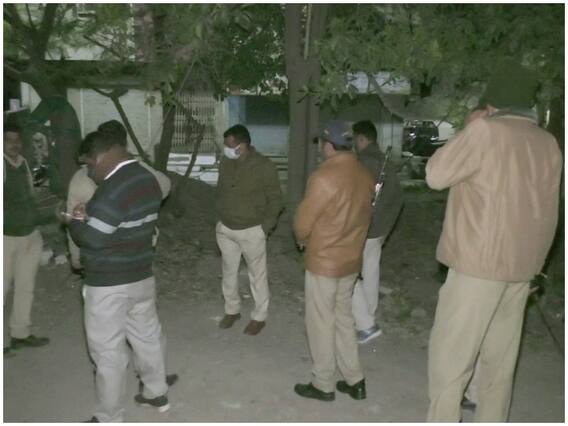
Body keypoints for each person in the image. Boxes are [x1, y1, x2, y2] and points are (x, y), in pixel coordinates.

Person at [425, 59, 562, 422]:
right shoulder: (548, 143)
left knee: (450, 361)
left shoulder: (485, 132)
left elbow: (435, 174)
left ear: (493, 99)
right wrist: (537, 267)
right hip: (521, 272)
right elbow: (550, 212)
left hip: (476, 268)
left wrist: (468, 128)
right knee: (498, 368)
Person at [67, 127, 175, 422]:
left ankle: (109, 416)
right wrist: (92, 214)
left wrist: (74, 221)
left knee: (107, 352)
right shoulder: (147, 178)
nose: (89, 174)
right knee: (147, 338)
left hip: (108, 283)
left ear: (101, 156)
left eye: (89, 165)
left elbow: (92, 238)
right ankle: (156, 392)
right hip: (141, 275)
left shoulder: (113, 188)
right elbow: (121, 221)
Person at [293, 120, 374, 402]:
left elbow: (303, 222)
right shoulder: (364, 175)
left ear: (328, 145)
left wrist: (302, 238)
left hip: (324, 262)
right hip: (350, 261)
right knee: (343, 320)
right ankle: (355, 379)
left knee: (320, 322)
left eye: (321, 143)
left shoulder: (324, 177)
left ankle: (323, 383)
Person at [66, 121, 171, 271]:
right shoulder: (140, 172)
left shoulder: (80, 178)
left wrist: (77, 260)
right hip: (136, 256)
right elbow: (165, 186)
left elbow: (73, 220)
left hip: (103, 261)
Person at [215, 124, 283, 336]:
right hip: (226, 228)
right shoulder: (226, 162)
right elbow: (220, 191)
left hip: (252, 229)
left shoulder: (263, 166)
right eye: (226, 145)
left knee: (257, 275)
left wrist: (265, 228)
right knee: (228, 271)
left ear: (242, 145)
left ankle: (259, 317)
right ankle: (232, 310)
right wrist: (219, 217)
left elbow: (276, 199)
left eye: (230, 145)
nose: (226, 149)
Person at [351, 120, 403, 344]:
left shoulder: (364, 161)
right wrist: (386, 226)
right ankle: (369, 315)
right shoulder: (385, 160)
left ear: (362, 139)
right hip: (380, 227)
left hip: (365, 226)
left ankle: (364, 321)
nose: (354, 144)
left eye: (356, 139)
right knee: (371, 270)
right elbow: (398, 197)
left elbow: (357, 196)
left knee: (350, 272)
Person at [3, 123, 49, 356]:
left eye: (17, 140)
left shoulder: (23, 164)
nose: (14, 144)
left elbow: (31, 196)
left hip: (30, 234)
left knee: (25, 287)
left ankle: (20, 333)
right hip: (6, 237)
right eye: (8, 140)